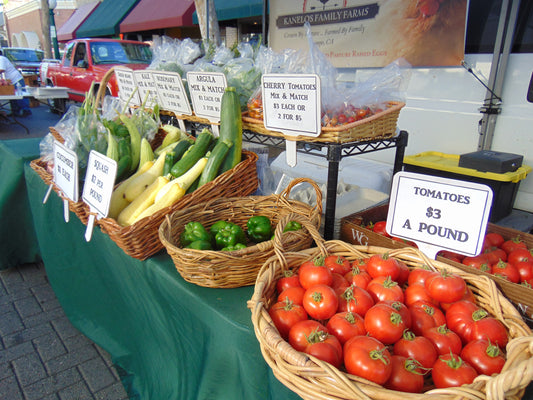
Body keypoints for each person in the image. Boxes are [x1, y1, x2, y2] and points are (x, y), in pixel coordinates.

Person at [0, 50, 31, 117]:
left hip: (16, 79)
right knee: (12, 97)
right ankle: (15, 112)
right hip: (10, 79)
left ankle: (26, 110)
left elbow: (2, 70)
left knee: (20, 95)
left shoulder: (1, 58)